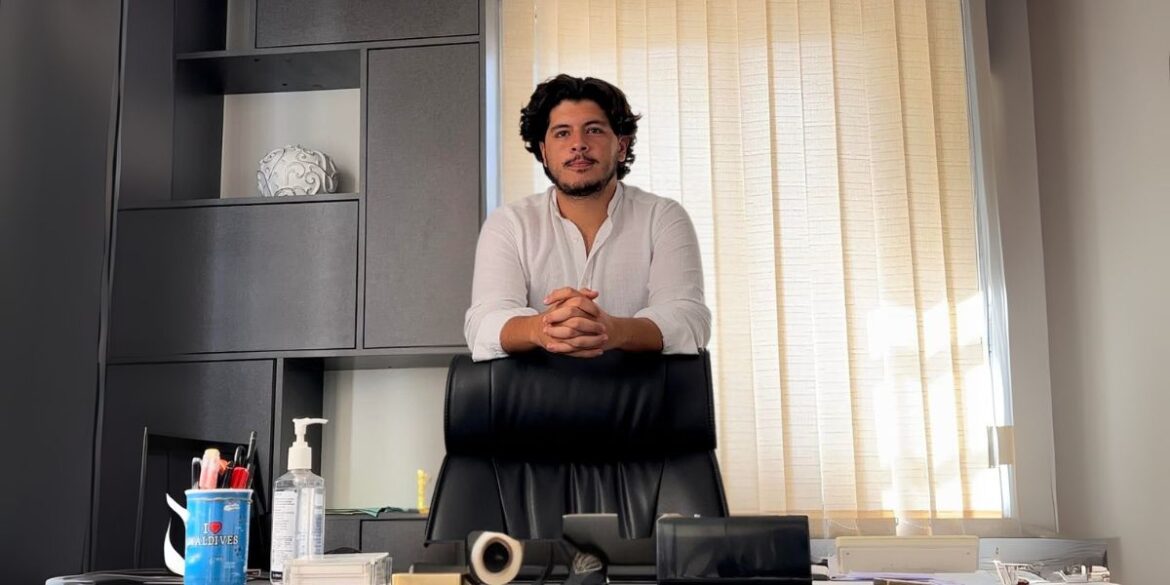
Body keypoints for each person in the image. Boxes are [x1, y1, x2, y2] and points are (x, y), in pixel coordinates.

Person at [465, 74, 710, 361]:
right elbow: (483, 324)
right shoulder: (508, 224)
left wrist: (613, 330)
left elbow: (689, 319)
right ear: (544, 152)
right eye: (562, 133)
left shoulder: (664, 218)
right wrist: (543, 328)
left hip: (643, 397)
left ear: (621, 146)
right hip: (538, 399)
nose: (578, 144)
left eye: (593, 130)